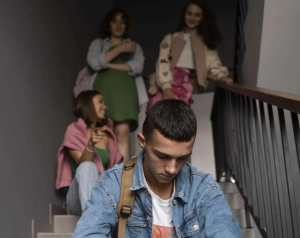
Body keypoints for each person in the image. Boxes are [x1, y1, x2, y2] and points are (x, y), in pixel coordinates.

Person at [72, 99, 241, 237]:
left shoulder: (203, 189)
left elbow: (224, 231)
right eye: (162, 156)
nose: (172, 169)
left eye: (182, 158)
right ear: (142, 141)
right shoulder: (114, 183)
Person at [147, 0, 233, 110]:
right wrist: (166, 87)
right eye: (189, 13)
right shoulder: (170, 38)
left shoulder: (205, 41)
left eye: (197, 15)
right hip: (165, 79)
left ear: (203, 18)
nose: (192, 18)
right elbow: (162, 61)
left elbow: (212, 63)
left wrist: (221, 76)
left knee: (178, 117)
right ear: (184, 15)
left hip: (185, 83)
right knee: (157, 117)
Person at [87, 8, 146, 161]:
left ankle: (122, 178)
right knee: (104, 132)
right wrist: (121, 49)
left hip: (126, 92)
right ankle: (105, 176)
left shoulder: (134, 47)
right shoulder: (98, 44)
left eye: (122, 22)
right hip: (102, 89)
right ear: (108, 24)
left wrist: (108, 64)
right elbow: (93, 62)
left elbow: (137, 66)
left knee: (122, 133)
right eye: (114, 21)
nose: (118, 25)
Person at [56, 90, 123, 215]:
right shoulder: (73, 131)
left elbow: (115, 169)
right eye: (100, 102)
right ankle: (92, 223)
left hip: (102, 195)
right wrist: (91, 144)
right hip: (77, 198)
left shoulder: (107, 135)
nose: (105, 106)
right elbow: (82, 162)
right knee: (87, 166)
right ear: (88, 104)